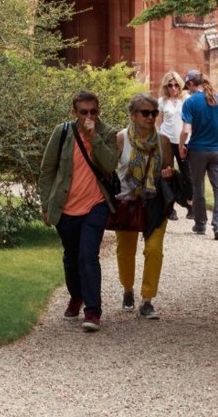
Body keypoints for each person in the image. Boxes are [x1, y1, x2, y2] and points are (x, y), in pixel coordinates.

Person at [38, 89, 120, 331]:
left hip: (96, 204)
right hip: (66, 207)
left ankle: (93, 311)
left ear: (99, 111)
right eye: (83, 112)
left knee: (88, 255)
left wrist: (93, 137)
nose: (89, 116)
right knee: (71, 256)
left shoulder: (108, 133)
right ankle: (76, 296)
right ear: (74, 112)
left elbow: (110, 165)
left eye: (93, 112)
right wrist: (45, 205)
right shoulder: (62, 132)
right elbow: (47, 170)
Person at [113, 92, 172, 318]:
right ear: (133, 115)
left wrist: (167, 173)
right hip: (127, 202)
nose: (150, 118)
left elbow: (168, 169)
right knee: (126, 251)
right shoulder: (120, 139)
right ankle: (128, 289)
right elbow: (110, 170)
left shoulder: (163, 141)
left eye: (154, 113)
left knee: (154, 249)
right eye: (145, 113)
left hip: (154, 203)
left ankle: (147, 300)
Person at [179, 70, 218, 241]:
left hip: (198, 151)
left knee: (198, 187)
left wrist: (181, 146)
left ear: (192, 84)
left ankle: (200, 224)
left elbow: (186, 130)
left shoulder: (190, 102)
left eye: (188, 86)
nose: (188, 90)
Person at [156, 71, 188, 221]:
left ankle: (189, 204)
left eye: (176, 85)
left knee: (186, 173)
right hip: (166, 142)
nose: (173, 88)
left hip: (182, 142)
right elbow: (158, 122)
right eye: (170, 85)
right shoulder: (162, 101)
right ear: (166, 86)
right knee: (167, 174)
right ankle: (170, 208)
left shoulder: (186, 99)